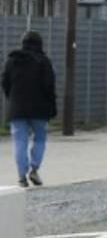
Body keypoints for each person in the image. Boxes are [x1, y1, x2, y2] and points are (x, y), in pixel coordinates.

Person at [2, 30, 57, 189]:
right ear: (39, 44)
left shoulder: (12, 60)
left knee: (19, 141)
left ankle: (21, 176)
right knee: (40, 138)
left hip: (17, 108)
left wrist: (12, 98)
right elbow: (49, 86)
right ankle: (34, 169)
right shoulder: (44, 61)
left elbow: (5, 82)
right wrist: (52, 106)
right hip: (39, 109)